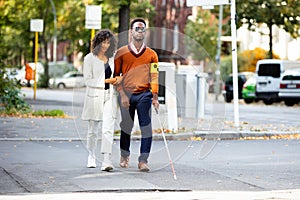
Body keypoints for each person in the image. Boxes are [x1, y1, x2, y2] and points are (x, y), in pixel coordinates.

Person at [114, 18, 159, 172]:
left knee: (146, 127)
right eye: (137, 29)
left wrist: (154, 96)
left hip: (144, 95)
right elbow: (116, 77)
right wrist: (122, 95)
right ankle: (124, 155)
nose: (140, 32)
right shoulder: (121, 53)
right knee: (126, 126)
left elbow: (154, 76)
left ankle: (143, 161)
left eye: (142, 29)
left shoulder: (152, 55)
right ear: (131, 32)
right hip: (126, 93)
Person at [81, 29, 118, 172]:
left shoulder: (113, 59)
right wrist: (108, 80)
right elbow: (88, 80)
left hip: (110, 95)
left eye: (108, 42)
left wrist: (118, 80)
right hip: (94, 97)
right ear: (97, 42)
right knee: (93, 130)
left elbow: (117, 75)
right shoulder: (89, 58)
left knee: (108, 128)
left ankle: (106, 159)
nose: (105, 45)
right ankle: (91, 155)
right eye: (103, 42)